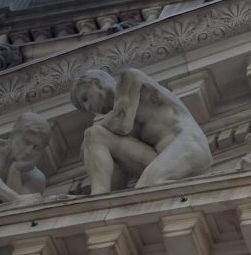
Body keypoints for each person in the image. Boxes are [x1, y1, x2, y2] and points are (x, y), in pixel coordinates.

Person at [70, 68, 211, 194]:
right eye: (83, 106)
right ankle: (99, 196)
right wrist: (90, 143)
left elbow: (122, 124)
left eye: (85, 98)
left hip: (187, 147)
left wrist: (99, 129)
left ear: (96, 84)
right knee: (93, 135)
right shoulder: (114, 119)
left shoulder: (130, 77)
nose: (88, 108)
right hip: (158, 158)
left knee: (146, 190)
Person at [0, 112, 51, 205]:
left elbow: (15, 209)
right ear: (13, 135)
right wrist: (15, 198)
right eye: (26, 142)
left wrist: (15, 169)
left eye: (36, 147)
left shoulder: (36, 178)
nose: (29, 151)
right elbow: (17, 201)